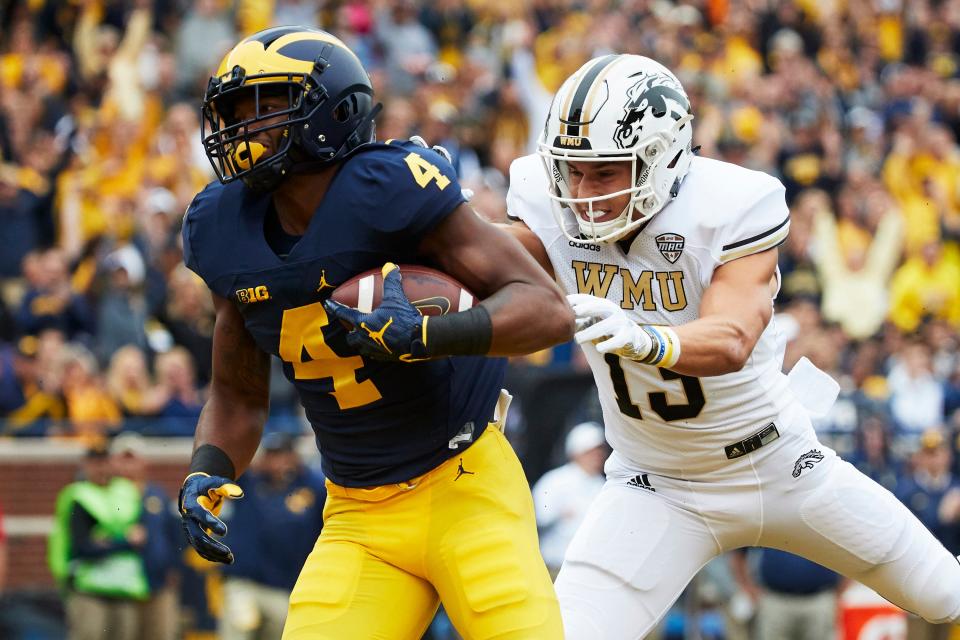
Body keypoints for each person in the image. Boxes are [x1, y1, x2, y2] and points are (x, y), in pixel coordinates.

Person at [502, 53, 960, 639]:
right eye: (573, 172)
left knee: (943, 593)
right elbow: (490, 272)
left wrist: (648, 339)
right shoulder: (548, 204)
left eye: (606, 172)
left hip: (777, 463)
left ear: (662, 157)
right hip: (653, 482)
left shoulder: (731, 203)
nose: (583, 193)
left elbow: (732, 337)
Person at [177, 26, 571, 640]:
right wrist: (207, 466)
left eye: (264, 107)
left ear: (332, 111)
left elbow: (545, 309)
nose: (242, 128)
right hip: (358, 514)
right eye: (231, 112)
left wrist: (427, 336)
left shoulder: (388, 188)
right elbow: (236, 395)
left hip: (465, 483)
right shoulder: (221, 226)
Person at [219, 433, 325, 640]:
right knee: (239, 628)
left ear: (293, 456)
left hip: (285, 586)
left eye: (281, 454)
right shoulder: (249, 483)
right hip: (244, 584)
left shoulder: (311, 487)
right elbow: (227, 464)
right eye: (271, 455)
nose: (276, 461)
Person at [47, 443, 149, 640]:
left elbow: (142, 534)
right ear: (85, 466)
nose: (100, 468)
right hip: (88, 585)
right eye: (95, 464)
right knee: (90, 633)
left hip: (123, 584)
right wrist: (124, 542)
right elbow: (84, 546)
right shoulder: (79, 495)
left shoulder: (125, 491)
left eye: (104, 463)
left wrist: (108, 542)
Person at [532, 421, 608, 577]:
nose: (597, 456)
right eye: (591, 451)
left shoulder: (604, 486)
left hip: (590, 571)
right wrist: (559, 515)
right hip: (552, 568)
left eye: (600, 451)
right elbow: (535, 520)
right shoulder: (555, 480)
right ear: (576, 452)